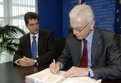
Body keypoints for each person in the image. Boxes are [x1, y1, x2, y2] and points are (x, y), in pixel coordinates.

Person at [49, 4, 121, 80]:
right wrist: (58, 64)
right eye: (72, 28)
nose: (74, 32)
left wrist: (87, 71)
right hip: (76, 79)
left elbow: (118, 69)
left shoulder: (109, 38)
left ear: (91, 24)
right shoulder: (71, 38)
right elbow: (64, 57)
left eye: (78, 29)